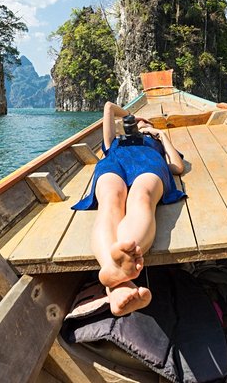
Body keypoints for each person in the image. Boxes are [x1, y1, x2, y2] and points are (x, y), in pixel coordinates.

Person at [71, 101, 186, 316]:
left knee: (141, 197)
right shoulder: (113, 142)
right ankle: (115, 274)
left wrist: (160, 135)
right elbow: (108, 107)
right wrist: (131, 116)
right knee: (110, 199)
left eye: (146, 123)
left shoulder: (155, 143)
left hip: (149, 163)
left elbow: (178, 167)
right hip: (114, 163)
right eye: (137, 123)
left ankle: (114, 278)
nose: (140, 124)